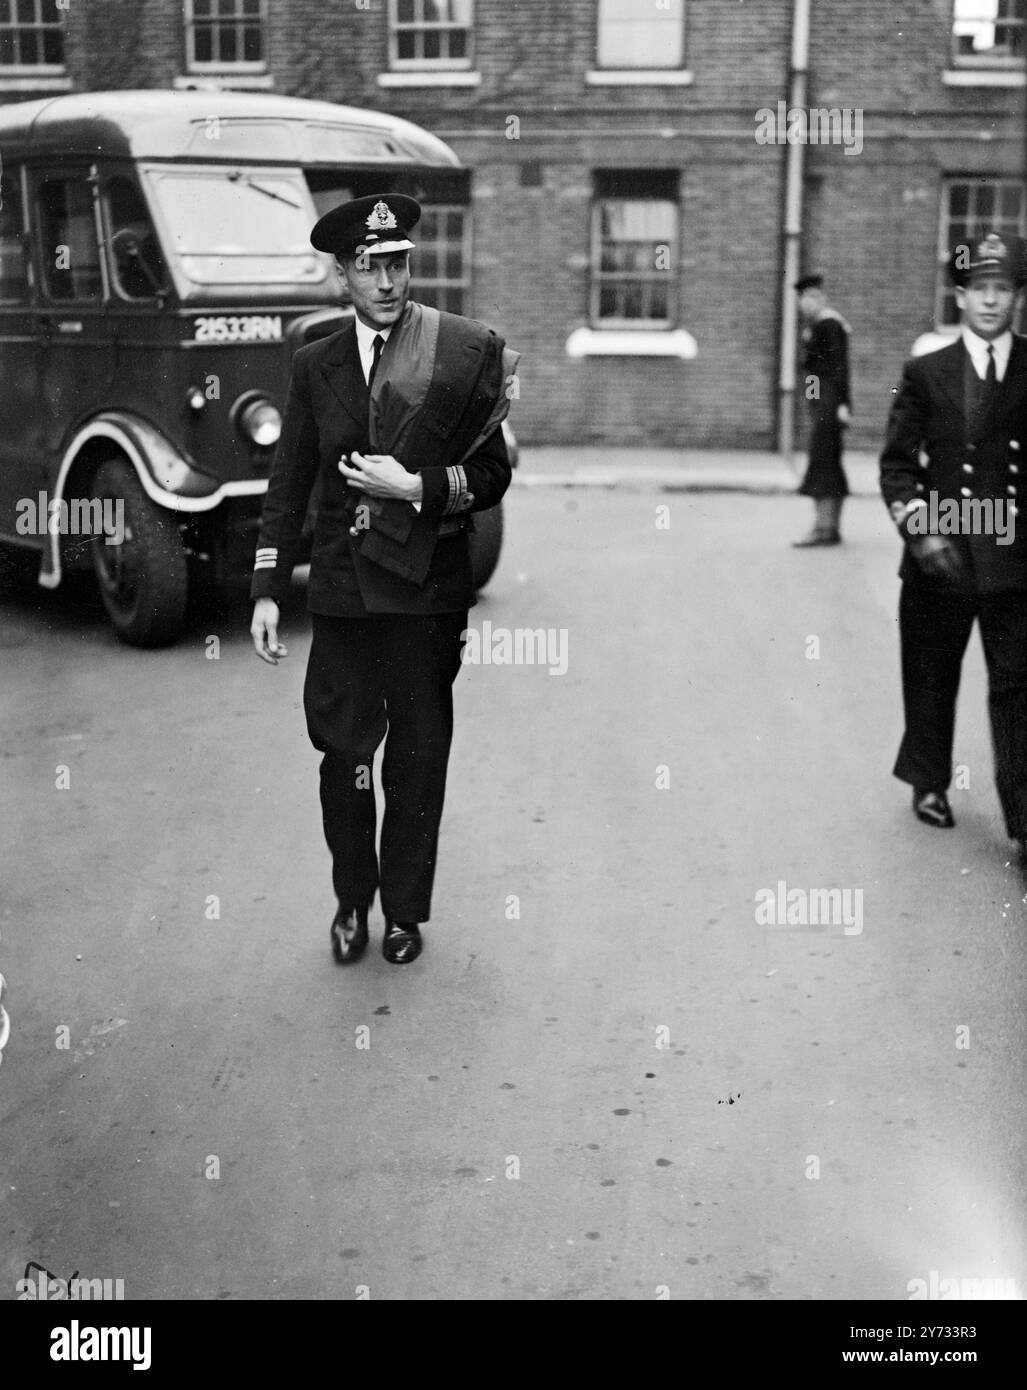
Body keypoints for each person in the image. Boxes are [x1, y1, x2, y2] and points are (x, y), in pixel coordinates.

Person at [249, 194, 518, 964]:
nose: (388, 281)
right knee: (344, 759)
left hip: (426, 591)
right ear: (341, 275)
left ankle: (403, 913)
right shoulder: (314, 364)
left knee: (417, 757)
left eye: (397, 263)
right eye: (370, 266)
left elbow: (492, 471)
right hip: (342, 596)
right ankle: (351, 901)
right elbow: (287, 481)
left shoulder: (454, 358)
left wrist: (417, 488)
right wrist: (267, 588)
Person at [879, 231, 1027, 858]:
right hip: (939, 556)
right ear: (960, 295)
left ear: (1016, 296)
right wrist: (921, 530)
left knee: (1018, 687)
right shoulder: (925, 371)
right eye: (979, 290)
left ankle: (1022, 817)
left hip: (1013, 561)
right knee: (932, 675)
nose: (990, 302)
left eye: (1003, 290)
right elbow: (896, 466)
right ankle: (928, 781)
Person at [792, 274, 852, 546]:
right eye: (802, 298)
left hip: (830, 401)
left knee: (823, 461)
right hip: (822, 401)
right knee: (827, 460)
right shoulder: (816, 325)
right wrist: (812, 403)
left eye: (811, 297)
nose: (805, 303)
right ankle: (830, 527)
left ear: (820, 298)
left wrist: (841, 405)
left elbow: (839, 368)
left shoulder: (829, 324)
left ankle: (824, 528)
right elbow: (812, 373)